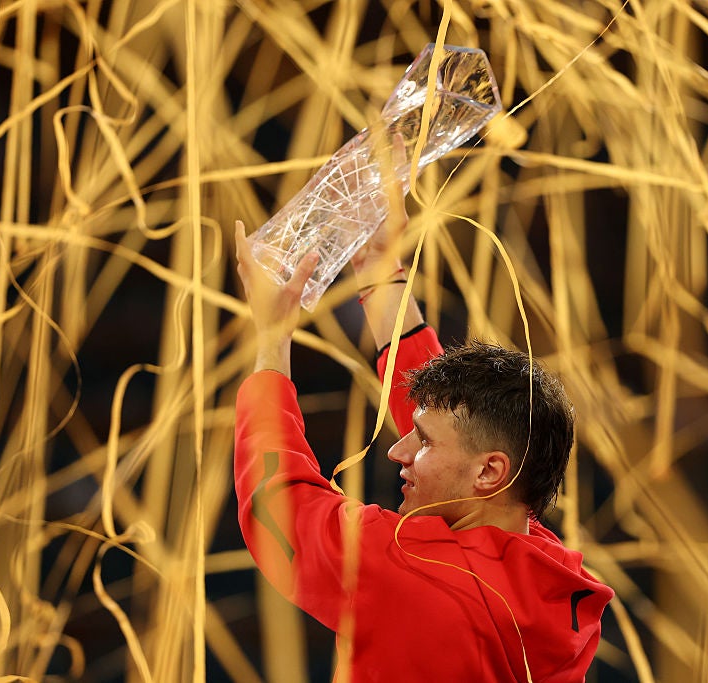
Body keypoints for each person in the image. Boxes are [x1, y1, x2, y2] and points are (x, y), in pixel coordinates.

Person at [233, 200, 614, 681]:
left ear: (490, 471)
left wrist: (272, 336)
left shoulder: (406, 569)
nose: (398, 449)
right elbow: (455, 428)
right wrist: (378, 272)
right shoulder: (552, 579)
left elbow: (278, 504)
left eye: (423, 442)